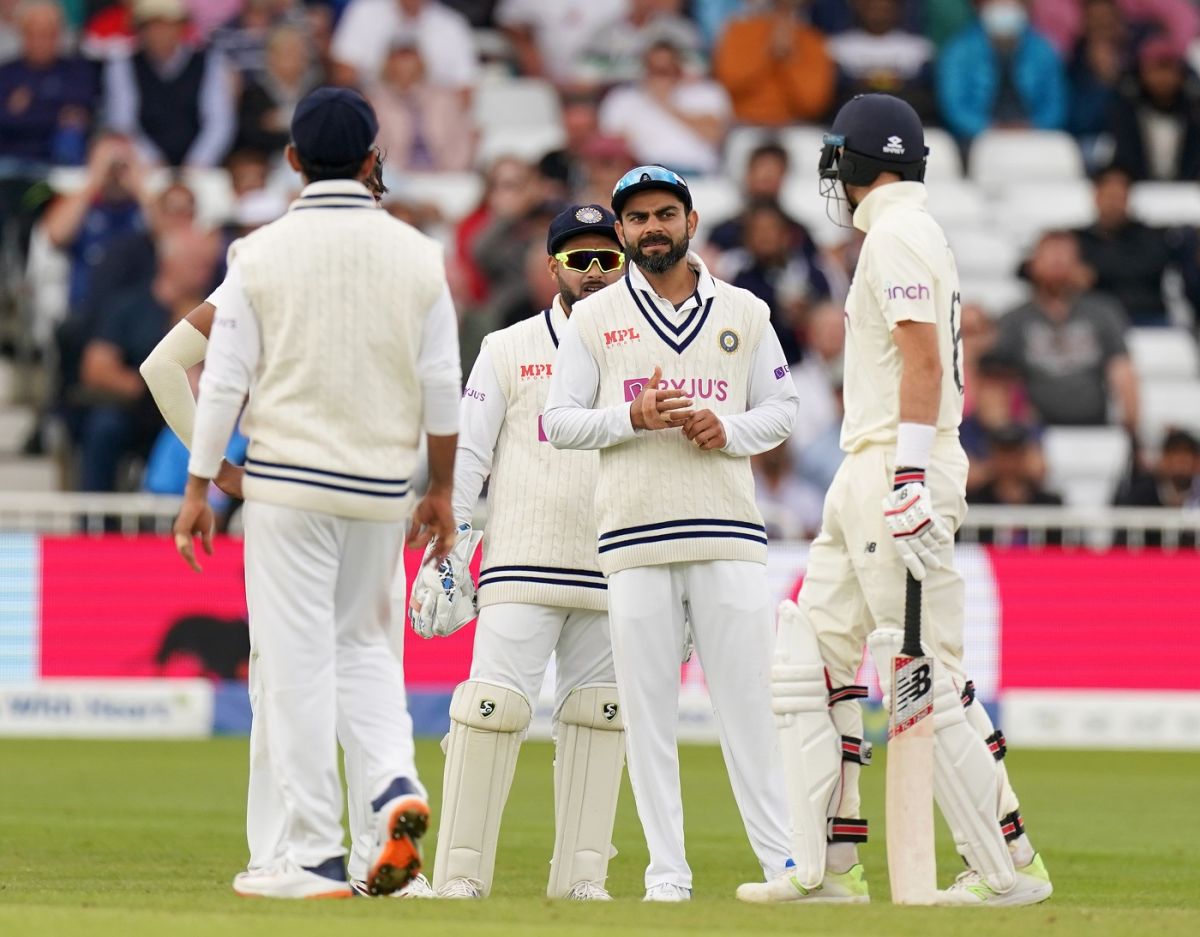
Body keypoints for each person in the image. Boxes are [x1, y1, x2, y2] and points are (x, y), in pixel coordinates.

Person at [739, 93, 1053, 906]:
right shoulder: (895, 233)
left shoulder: (901, 234)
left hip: (896, 465)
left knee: (923, 673)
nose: (831, 182)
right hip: (864, 463)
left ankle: (1006, 868)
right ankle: (825, 867)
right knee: (809, 655)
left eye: (837, 163)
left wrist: (911, 476)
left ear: (859, 164)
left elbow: (924, 359)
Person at [171, 87, 461, 899]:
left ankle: (313, 856)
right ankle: (394, 783)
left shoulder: (258, 253)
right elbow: (443, 383)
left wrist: (199, 485)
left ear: (293, 159)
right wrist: (439, 486)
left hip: (287, 486)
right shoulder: (416, 252)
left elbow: (223, 379)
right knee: (366, 652)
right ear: (374, 158)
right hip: (379, 487)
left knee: (296, 665)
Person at [543, 165, 800, 901]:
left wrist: (728, 427)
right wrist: (633, 417)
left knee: (749, 707)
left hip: (727, 535)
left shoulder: (745, 310)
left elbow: (782, 407)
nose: (651, 227)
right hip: (634, 539)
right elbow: (558, 422)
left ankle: (783, 861)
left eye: (664, 213)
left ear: (690, 219)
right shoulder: (593, 319)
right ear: (621, 232)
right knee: (648, 717)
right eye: (637, 219)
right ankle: (667, 875)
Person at [409, 204, 627, 900]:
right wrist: (449, 547)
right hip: (520, 562)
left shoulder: (648, 350)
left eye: (607, 258)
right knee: (490, 712)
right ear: (552, 266)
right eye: (579, 259)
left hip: (611, 567)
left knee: (599, 717)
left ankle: (583, 877)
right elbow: (468, 455)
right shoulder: (507, 347)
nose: (593, 272)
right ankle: (461, 874)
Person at [991, 230, 1139, 431]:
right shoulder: (1013, 319)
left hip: (1094, 429)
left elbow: (1121, 370)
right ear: (1033, 264)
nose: (1058, 261)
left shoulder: (1103, 313)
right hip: (1034, 435)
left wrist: (1130, 429)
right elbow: (997, 376)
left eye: (1065, 255)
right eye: (1051, 255)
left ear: (1080, 266)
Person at [103, 0, 236, 167]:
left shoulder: (209, 62)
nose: (159, 33)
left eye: (167, 25)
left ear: (181, 27)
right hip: (142, 168)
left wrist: (198, 163)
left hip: (200, 167)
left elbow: (219, 123)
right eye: (151, 26)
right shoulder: (122, 65)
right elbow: (123, 123)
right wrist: (153, 161)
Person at [598, 39, 732, 177]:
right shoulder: (622, 98)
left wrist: (666, 104)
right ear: (644, 69)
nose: (660, 78)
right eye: (655, 70)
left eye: (666, 70)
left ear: (679, 68)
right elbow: (610, 146)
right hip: (643, 174)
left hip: (694, 174)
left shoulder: (707, 93)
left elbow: (714, 135)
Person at [937, 0, 1067, 143]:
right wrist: (991, 129)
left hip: (1035, 138)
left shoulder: (1044, 50)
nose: (1004, 5)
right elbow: (954, 108)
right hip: (976, 142)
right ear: (978, 5)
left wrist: (1031, 128)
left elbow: (1056, 105)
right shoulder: (958, 51)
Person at [713, 0, 835, 126]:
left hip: (796, 126)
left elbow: (813, 104)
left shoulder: (813, 40)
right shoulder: (740, 31)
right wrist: (767, 54)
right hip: (744, 123)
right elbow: (729, 85)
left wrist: (789, 62)